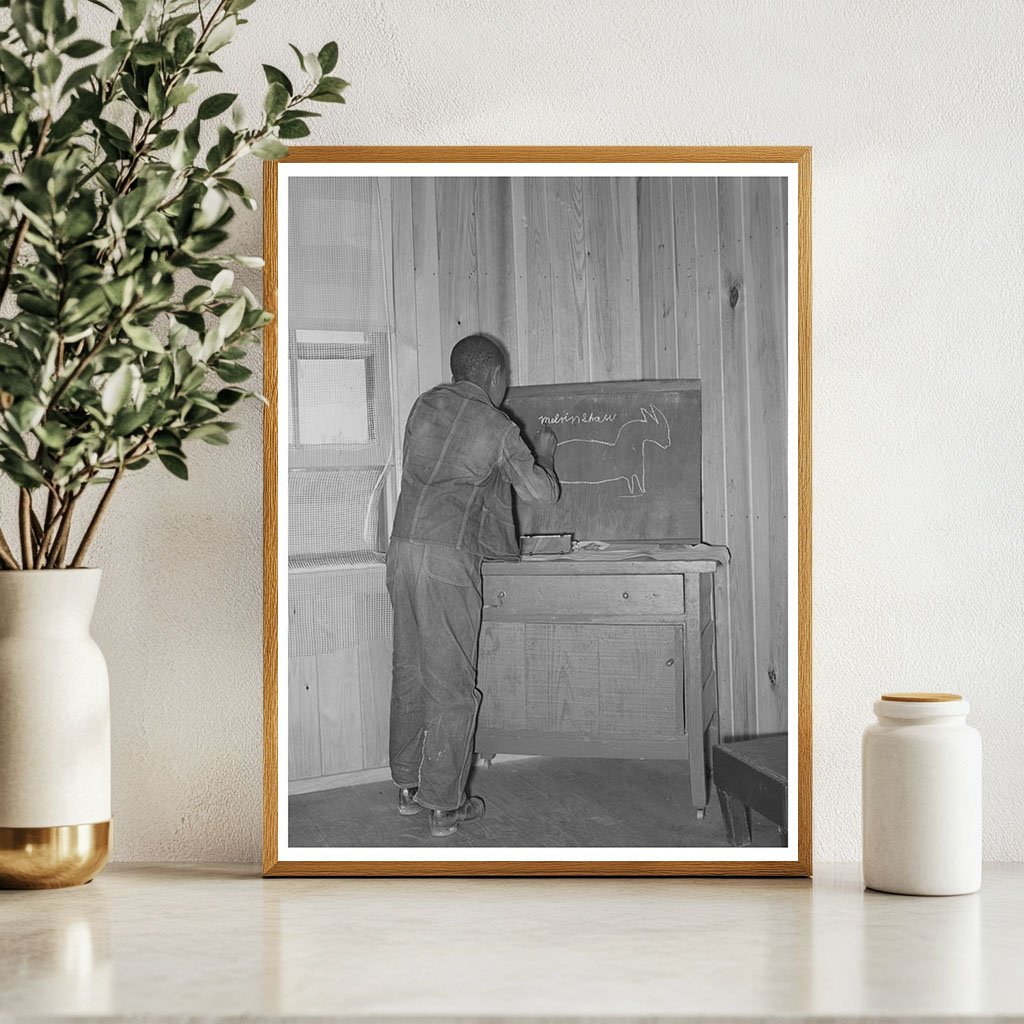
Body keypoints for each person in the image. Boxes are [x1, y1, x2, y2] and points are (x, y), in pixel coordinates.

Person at [386, 334, 559, 837]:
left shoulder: (424, 406)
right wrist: (543, 454)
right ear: (496, 377)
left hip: (401, 551)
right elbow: (541, 495)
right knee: (452, 685)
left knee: (409, 671)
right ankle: (444, 805)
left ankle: (406, 787)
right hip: (445, 560)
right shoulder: (497, 425)